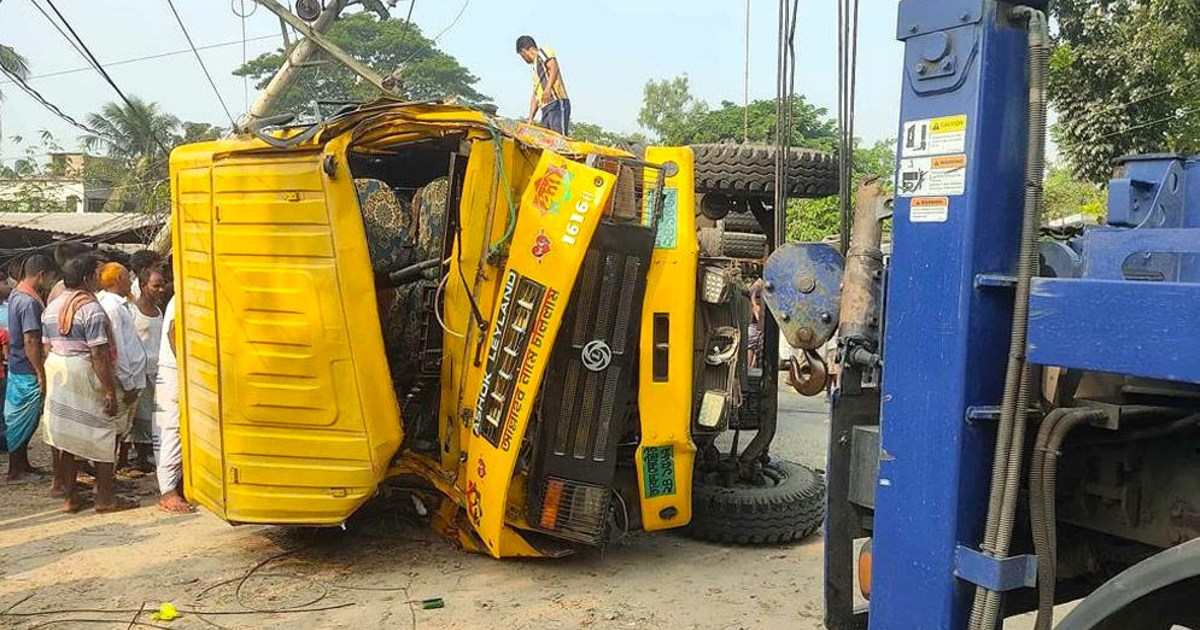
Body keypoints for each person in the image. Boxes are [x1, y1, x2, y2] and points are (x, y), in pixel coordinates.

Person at [42, 255, 138, 513]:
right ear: (86, 279)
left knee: (68, 437)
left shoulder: (52, 306)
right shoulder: (91, 309)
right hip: (83, 369)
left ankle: (70, 496)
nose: (99, 278)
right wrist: (109, 389)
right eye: (95, 274)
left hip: (57, 369)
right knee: (103, 431)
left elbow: (45, 346)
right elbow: (99, 353)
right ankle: (105, 497)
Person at [4, 255, 59, 483]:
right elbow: (31, 340)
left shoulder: (18, 294)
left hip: (18, 365)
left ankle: (22, 464)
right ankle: (16, 469)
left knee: (25, 417)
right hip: (26, 367)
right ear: (42, 274)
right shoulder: (27, 301)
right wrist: (40, 371)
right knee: (23, 418)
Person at [96, 262, 149, 473]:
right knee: (114, 432)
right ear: (118, 279)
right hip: (122, 381)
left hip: (128, 379)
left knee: (119, 431)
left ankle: (110, 478)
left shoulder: (117, 304)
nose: (130, 281)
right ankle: (107, 482)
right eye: (127, 277)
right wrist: (128, 384)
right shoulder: (113, 307)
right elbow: (117, 350)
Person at [154, 294, 192, 513]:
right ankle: (168, 492)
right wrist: (186, 366)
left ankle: (177, 485)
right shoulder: (182, 296)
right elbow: (173, 331)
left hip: (177, 369)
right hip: (175, 370)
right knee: (173, 428)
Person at [131, 265, 167, 474]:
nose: (160, 289)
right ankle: (139, 457)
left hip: (158, 369)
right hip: (141, 371)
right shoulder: (132, 310)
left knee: (154, 414)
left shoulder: (159, 311)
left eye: (162, 285)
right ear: (144, 286)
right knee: (141, 416)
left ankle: (147, 455)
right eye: (156, 286)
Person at [516, 35, 571, 136]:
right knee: (547, 140)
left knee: (558, 138)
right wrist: (531, 118)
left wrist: (548, 88)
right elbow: (535, 95)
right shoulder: (534, 68)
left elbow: (554, 67)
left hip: (556, 103)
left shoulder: (543, 52)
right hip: (545, 108)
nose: (523, 59)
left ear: (524, 51)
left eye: (522, 55)